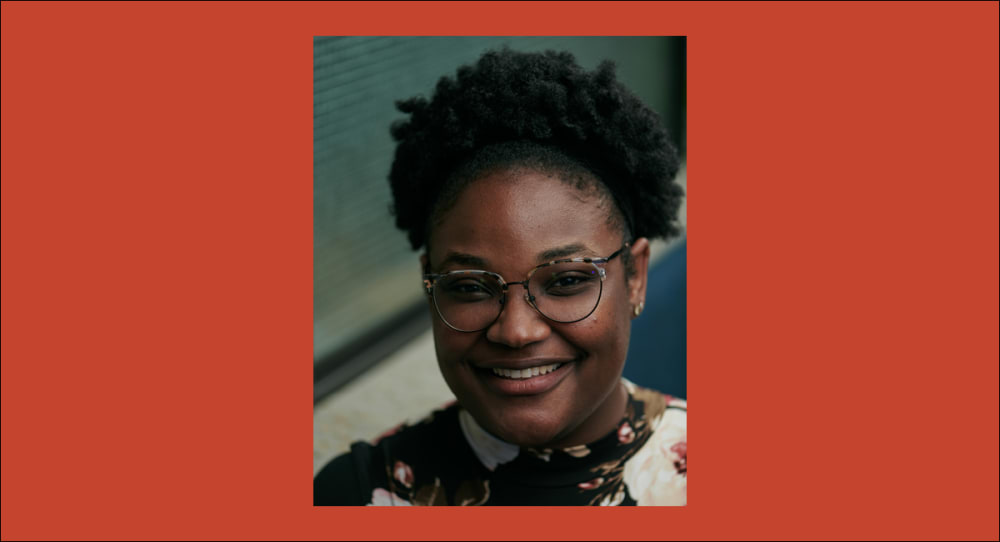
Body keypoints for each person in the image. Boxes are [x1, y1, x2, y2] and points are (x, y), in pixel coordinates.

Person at [314, 48, 687, 506]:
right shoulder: (357, 495)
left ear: (635, 278)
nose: (515, 331)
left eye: (567, 281)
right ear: (430, 286)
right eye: (470, 287)